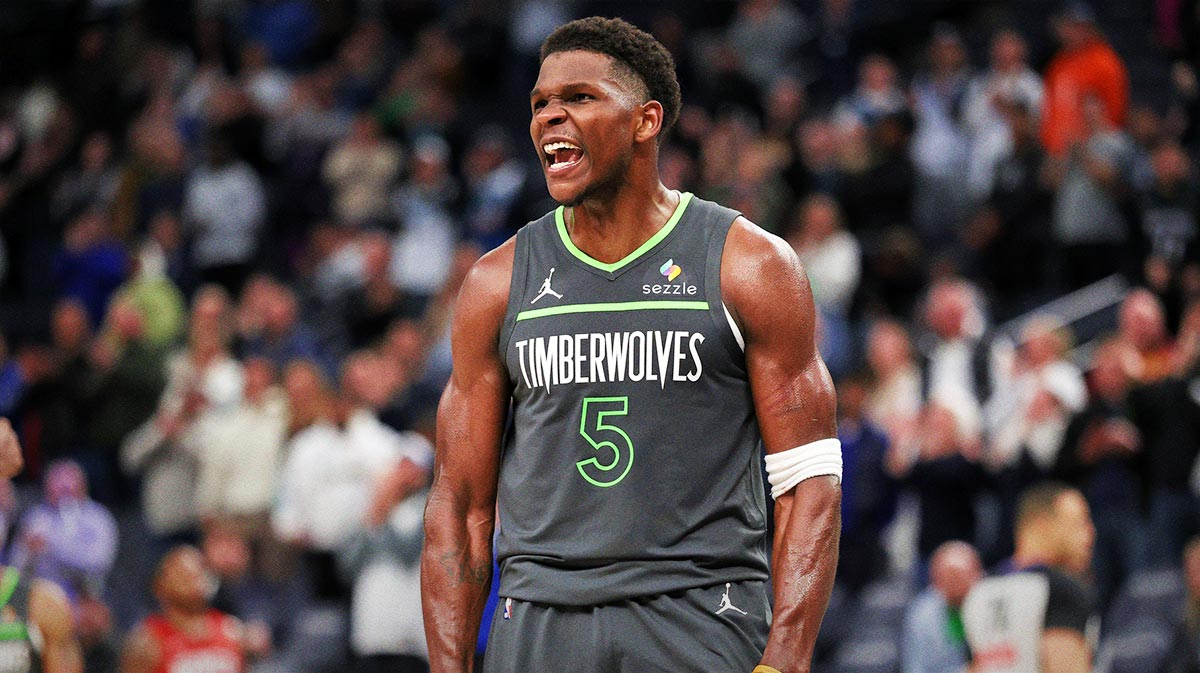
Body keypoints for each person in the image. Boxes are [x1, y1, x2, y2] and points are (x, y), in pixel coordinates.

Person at [422, 17, 840, 673]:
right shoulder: (496, 282)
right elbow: (460, 501)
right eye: (540, 104)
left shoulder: (750, 264)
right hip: (538, 620)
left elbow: (810, 481)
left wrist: (785, 660)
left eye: (579, 98)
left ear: (646, 121)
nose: (550, 118)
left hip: (700, 613)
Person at [962, 482, 1097, 673]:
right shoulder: (1060, 589)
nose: (1090, 534)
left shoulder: (979, 589)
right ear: (1042, 524)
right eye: (1080, 522)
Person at [119, 546, 257, 673]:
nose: (194, 579)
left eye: (199, 571)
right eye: (183, 574)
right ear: (159, 586)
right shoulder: (148, 643)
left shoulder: (232, 631)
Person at [901, 541, 983, 673]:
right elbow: (915, 667)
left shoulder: (991, 603)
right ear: (935, 579)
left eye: (958, 576)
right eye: (947, 576)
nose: (953, 583)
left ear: (978, 575)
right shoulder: (922, 613)